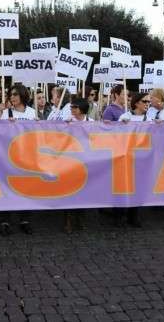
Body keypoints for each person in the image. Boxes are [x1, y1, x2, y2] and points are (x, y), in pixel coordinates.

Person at [0, 85, 37, 236]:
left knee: (26, 189)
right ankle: (4, 220)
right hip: (8, 157)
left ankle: (25, 219)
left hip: (27, 157)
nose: (12, 97)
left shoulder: (32, 112)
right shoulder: (6, 113)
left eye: (15, 94)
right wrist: (3, 118)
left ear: (22, 95)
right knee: (7, 188)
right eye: (10, 94)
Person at [116, 92, 152, 227]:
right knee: (122, 188)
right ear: (136, 103)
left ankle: (134, 216)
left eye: (149, 102)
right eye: (145, 101)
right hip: (125, 158)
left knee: (137, 188)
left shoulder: (150, 119)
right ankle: (119, 216)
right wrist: (121, 125)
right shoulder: (125, 117)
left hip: (141, 160)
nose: (147, 104)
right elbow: (116, 136)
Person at [63, 98, 92, 234]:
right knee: (70, 193)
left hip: (87, 163)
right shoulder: (67, 122)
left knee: (84, 193)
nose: (72, 109)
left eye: (74, 107)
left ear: (82, 109)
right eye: (71, 107)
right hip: (71, 163)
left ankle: (80, 219)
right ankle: (69, 220)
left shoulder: (92, 123)